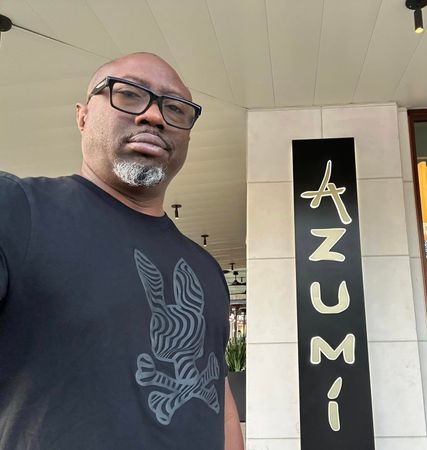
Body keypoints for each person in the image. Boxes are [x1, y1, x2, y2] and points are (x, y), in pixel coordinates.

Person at [0, 52, 244, 450]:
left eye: (175, 108)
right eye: (129, 94)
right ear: (82, 117)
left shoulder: (205, 269)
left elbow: (220, 401)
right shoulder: (15, 211)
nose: (154, 116)